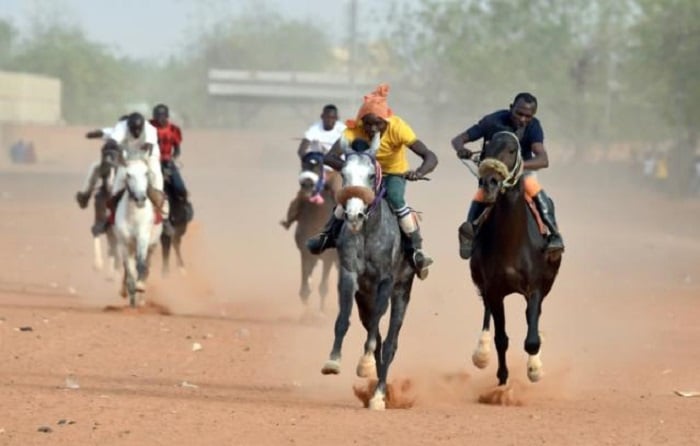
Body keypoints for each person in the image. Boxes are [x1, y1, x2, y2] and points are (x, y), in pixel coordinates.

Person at [306, 84, 438, 279]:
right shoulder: (352, 131)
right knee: (347, 199)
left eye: (378, 124)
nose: (373, 129)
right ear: (361, 121)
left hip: (393, 174)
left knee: (395, 199)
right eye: (368, 124)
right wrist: (349, 169)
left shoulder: (399, 127)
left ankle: (416, 250)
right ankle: (327, 236)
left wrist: (418, 172)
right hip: (362, 174)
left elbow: (430, 156)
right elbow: (329, 157)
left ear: (386, 120)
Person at [450, 92, 564, 259]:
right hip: (494, 173)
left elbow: (543, 159)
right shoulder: (493, 121)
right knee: (483, 192)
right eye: (519, 113)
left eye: (528, 116)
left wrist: (518, 166)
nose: (523, 119)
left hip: (522, 171)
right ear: (511, 108)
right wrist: (461, 148)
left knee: (532, 187)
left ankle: (554, 235)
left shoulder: (533, 127)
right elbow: (458, 139)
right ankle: (470, 233)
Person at [281, 105, 346, 229]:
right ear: (322, 117)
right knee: (303, 194)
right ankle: (289, 220)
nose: (329, 120)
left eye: (333, 118)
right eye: (327, 117)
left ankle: (344, 224)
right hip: (316, 170)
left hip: (335, 171)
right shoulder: (314, 129)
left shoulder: (343, 130)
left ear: (337, 118)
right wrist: (308, 163)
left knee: (338, 193)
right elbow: (301, 150)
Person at [107, 112, 171, 233]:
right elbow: (113, 140)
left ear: (143, 126)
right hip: (129, 156)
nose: (136, 132)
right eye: (133, 129)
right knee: (120, 177)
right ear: (128, 126)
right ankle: (113, 214)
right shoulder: (121, 127)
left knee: (155, 174)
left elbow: (148, 148)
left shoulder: (150, 129)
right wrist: (111, 144)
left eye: (138, 130)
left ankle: (163, 212)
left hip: (148, 155)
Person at [75, 115, 129, 211]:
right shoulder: (113, 132)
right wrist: (93, 134)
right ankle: (86, 194)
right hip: (111, 161)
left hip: (129, 164)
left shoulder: (136, 136)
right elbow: (102, 132)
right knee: (95, 167)